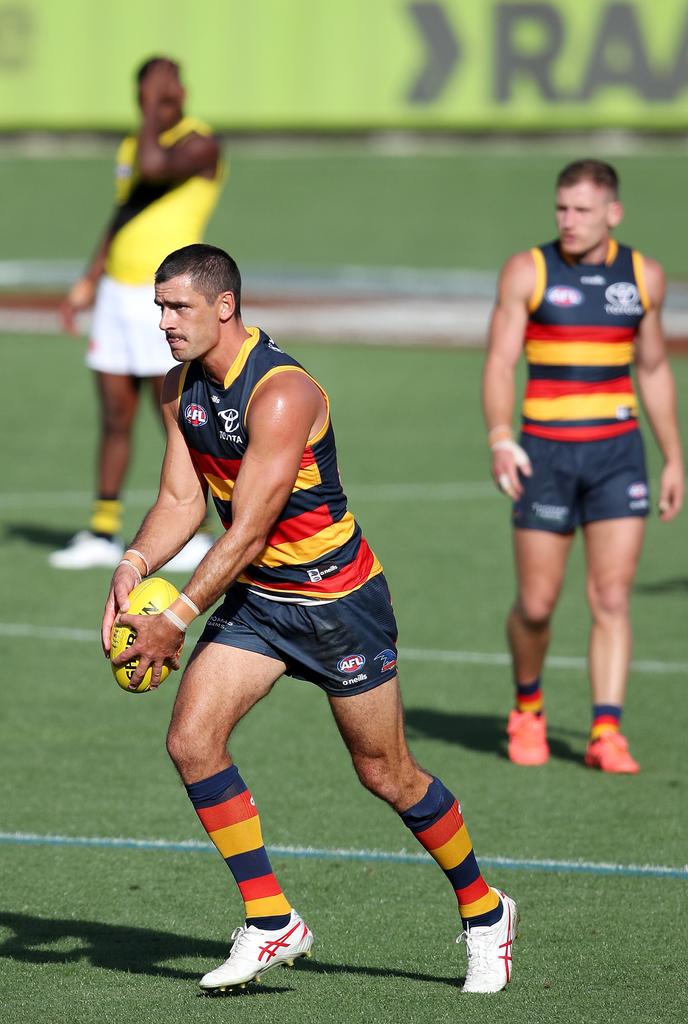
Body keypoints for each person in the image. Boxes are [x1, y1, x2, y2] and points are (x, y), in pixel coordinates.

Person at [101, 244, 518, 994]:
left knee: (385, 774)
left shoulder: (283, 393)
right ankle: (271, 922)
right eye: (158, 307)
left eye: (177, 308)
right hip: (261, 603)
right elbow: (180, 502)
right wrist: (132, 568)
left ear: (224, 306)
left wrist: (181, 615)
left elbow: (250, 527)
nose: (162, 322)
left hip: (338, 605)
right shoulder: (179, 388)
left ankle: (486, 914)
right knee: (192, 741)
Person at [482, 159, 684, 774]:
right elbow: (499, 362)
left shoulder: (644, 277)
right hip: (544, 455)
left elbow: (650, 368)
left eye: (582, 210)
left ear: (612, 214)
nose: (568, 221)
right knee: (538, 605)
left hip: (618, 456)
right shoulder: (528, 271)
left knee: (612, 597)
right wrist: (500, 436)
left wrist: (673, 455)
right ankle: (528, 706)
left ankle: (606, 731)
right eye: (561, 208)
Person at [51, 57, 224, 571]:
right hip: (116, 297)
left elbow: (153, 167)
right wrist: (90, 277)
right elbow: (125, 211)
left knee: (175, 415)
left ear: (183, 95)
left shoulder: (201, 144)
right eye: (150, 97)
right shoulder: (135, 144)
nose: (157, 106)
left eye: (165, 96)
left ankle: (203, 529)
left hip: (169, 298)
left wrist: (152, 107)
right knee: (113, 414)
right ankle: (103, 529)